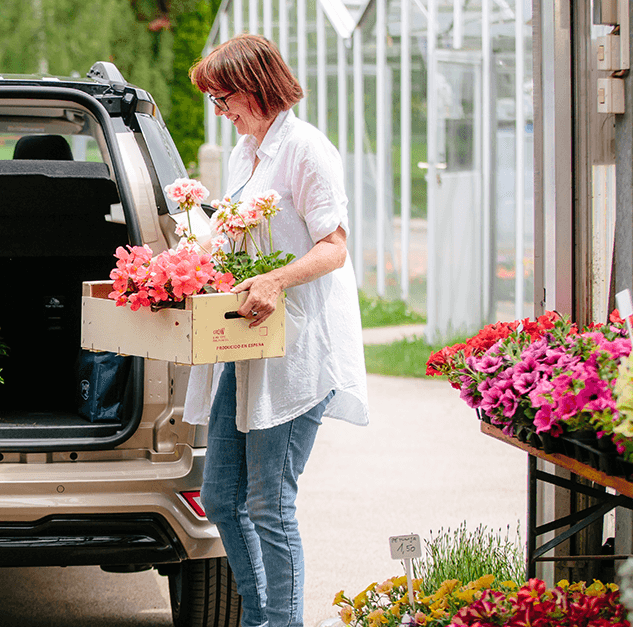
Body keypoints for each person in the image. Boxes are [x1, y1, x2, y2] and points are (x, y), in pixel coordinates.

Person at [186, 34, 369, 627]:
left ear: (258, 86)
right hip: (247, 343)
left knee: (270, 502)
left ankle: (279, 622)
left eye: (225, 97)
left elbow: (334, 249)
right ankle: (261, 616)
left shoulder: (307, 150)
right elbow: (237, 238)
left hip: (296, 348)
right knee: (219, 496)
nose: (221, 111)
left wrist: (274, 280)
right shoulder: (248, 150)